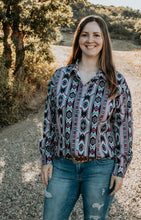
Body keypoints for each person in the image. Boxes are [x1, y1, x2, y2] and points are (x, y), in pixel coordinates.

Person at [39, 15, 133, 220]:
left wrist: (120, 169)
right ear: (78, 39)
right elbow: (49, 120)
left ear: (104, 40)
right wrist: (46, 157)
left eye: (96, 35)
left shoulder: (116, 82)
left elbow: (123, 128)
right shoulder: (60, 77)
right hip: (62, 166)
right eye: (85, 34)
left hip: (100, 168)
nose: (90, 40)